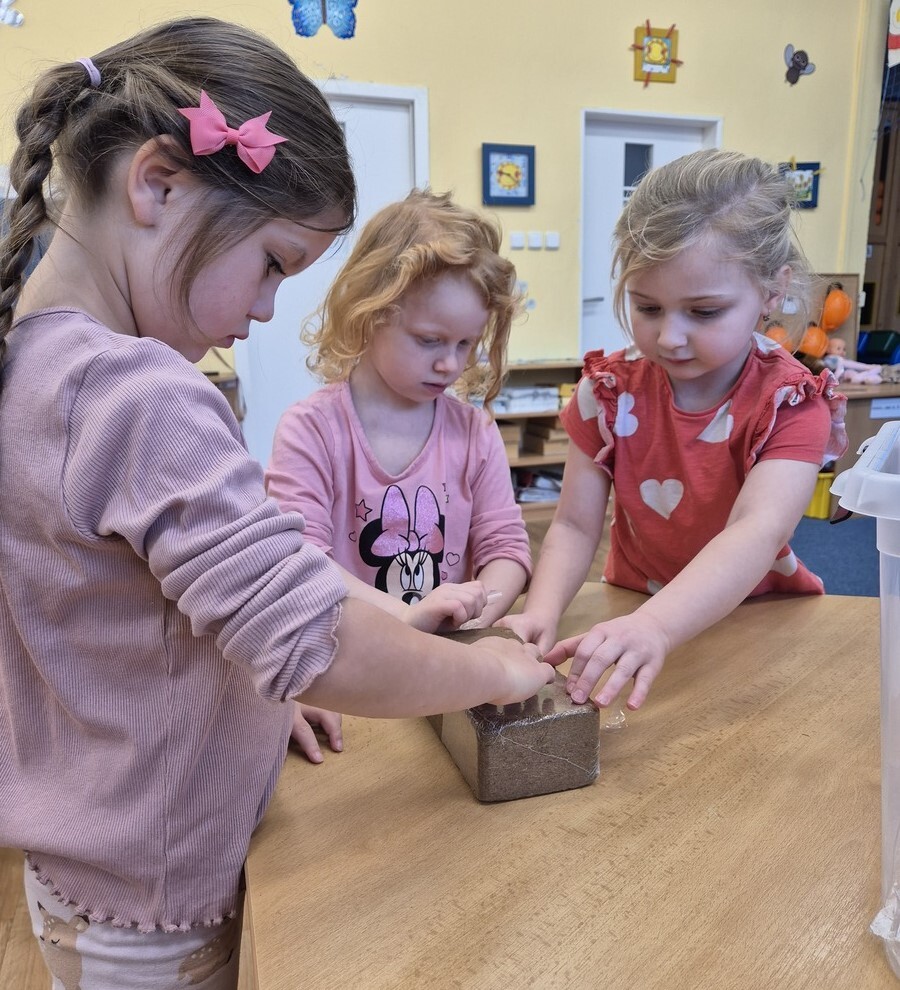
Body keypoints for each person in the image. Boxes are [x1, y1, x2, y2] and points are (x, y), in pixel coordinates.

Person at [0, 19, 555, 989]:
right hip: (161, 896)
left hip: (94, 864)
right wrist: (491, 673)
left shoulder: (32, 358)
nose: (264, 310)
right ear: (157, 184)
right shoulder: (139, 394)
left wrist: (253, 706)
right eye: (271, 263)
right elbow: (315, 641)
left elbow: (139, 629)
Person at [500, 149, 846, 716]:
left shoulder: (790, 403)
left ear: (772, 291)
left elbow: (756, 532)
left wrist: (658, 626)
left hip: (756, 620)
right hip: (632, 610)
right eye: (648, 307)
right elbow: (574, 523)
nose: (669, 338)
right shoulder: (607, 392)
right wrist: (541, 611)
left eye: (704, 312)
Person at [266, 189, 532, 762]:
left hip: (446, 678)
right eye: (430, 340)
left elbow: (506, 547)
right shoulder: (312, 430)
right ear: (368, 313)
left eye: (466, 343)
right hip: (348, 682)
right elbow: (302, 561)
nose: (450, 363)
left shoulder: (474, 432)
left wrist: (475, 612)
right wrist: (407, 619)